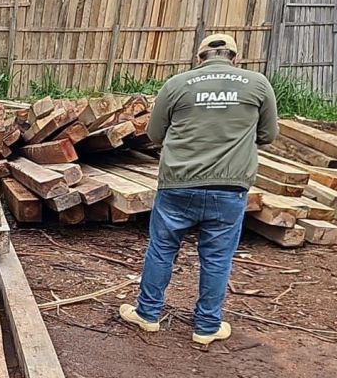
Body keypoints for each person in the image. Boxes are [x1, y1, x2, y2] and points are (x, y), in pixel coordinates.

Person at [118, 33, 279, 345]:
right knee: (217, 258)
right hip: (229, 187)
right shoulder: (257, 84)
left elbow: (155, 133)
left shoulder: (177, 84)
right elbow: (268, 134)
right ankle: (206, 327)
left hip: (179, 183)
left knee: (162, 249)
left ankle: (147, 314)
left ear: (199, 58)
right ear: (235, 58)